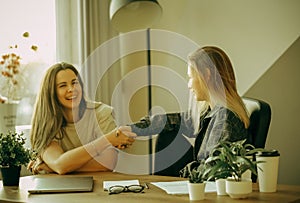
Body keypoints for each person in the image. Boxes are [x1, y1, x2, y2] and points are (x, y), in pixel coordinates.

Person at [121, 46, 250, 174]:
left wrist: (181, 174)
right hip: (198, 175)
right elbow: (173, 121)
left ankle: (161, 188)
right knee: (167, 134)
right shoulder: (212, 111)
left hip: (205, 185)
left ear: (206, 75)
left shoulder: (225, 118)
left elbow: (212, 170)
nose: (189, 85)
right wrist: (133, 129)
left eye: (190, 77)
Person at [28, 62, 136, 175]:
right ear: (51, 93)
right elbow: (59, 165)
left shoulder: (101, 113)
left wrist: (55, 167)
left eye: (75, 83)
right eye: (62, 85)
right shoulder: (46, 123)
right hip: (59, 189)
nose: (71, 89)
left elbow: (108, 162)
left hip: (99, 186)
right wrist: (107, 139)